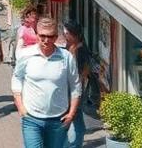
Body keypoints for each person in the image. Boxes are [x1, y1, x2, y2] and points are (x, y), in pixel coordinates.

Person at [11, 17, 81, 148]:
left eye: (50, 36)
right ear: (37, 35)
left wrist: (71, 114)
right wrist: (20, 106)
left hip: (58, 120)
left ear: (56, 37)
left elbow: (75, 86)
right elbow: (17, 78)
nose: (46, 40)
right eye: (42, 36)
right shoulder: (26, 55)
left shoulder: (66, 57)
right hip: (31, 118)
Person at [63, 20, 93, 148]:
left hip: (75, 92)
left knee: (69, 119)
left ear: (73, 34)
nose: (64, 35)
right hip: (70, 91)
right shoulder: (71, 46)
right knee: (76, 119)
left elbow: (83, 74)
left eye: (66, 32)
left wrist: (75, 91)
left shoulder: (81, 51)